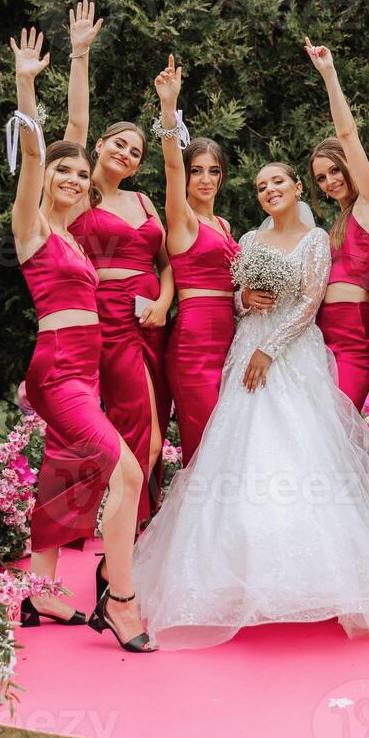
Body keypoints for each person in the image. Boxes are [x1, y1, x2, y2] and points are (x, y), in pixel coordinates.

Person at [133, 158, 369, 650]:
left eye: (278, 182)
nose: (269, 190)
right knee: (239, 457)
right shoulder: (248, 241)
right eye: (260, 185)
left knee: (300, 454)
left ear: (296, 188)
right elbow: (233, 301)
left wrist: (270, 349)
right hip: (245, 352)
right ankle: (233, 577)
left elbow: (311, 301)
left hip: (291, 357)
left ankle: (318, 578)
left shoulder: (315, 241)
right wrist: (245, 300)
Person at [9, 26, 153, 652]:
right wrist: (27, 83)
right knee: (125, 476)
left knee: (66, 473)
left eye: (78, 172)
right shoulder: (33, 225)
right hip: (60, 373)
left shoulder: (73, 234)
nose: (70, 178)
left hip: (84, 373)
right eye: (61, 171)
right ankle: (119, 599)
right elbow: (42, 152)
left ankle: (40, 592)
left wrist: (83, 56)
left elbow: (74, 137)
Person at [65, 2, 173, 543]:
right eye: (120, 145)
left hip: (155, 322)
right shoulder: (79, 191)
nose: (128, 154)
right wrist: (80, 54)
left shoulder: (146, 201)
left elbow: (168, 263)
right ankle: (122, 551)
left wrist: (165, 302)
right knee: (144, 436)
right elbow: (74, 125)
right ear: (101, 146)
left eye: (136, 151)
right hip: (110, 324)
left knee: (154, 429)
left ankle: (136, 538)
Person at [306, 34, 369, 411]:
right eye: (320, 178)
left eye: (335, 170)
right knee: (313, 430)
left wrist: (329, 75)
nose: (330, 181)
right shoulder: (338, 220)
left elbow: (347, 134)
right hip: (318, 330)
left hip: (353, 332)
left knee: (338, 424)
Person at [154, 55, 239, 466]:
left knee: (229, 444)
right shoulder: (182, 219)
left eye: (214, 171)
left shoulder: (223, 224)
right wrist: (169, 109)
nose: (205, 179)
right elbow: (170, 164)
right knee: (204, 449)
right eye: (197, 171)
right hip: (193, 346)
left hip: (230, 342)